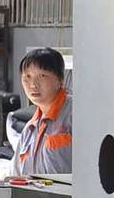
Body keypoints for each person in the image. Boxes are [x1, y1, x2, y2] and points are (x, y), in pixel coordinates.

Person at [12, 46, 72, 177]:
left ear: (60, 80)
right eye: (27, 76)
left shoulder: (74, 114)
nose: (33, 85)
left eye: (42, 76)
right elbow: (15, 176)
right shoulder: (29, 129)